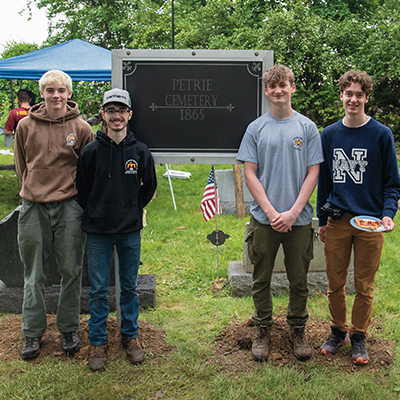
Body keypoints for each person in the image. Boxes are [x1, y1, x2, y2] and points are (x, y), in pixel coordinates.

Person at [236, 64, 323, 362]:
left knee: (299, 279)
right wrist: (273, 212)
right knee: (261, 278)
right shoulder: (256, 128)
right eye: (272, 86)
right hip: (264, 219)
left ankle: (297, 328)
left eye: (283, 85)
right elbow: (250, 173)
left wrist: (293, 211)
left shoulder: (307, 128)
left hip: (298, 220)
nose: (278, 90)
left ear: (292, 88)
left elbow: (313, 173)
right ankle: (262, 328)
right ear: (266, 91)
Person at [317, 70, 400, 365]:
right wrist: (322, 220)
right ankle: (338, 330)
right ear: (341, 96)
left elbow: (392, 183)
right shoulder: (328, 134)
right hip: (338, 220)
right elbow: (323, 182)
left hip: (370, 222)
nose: (353, 99)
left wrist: (388, 215)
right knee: (335, 282)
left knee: (364, 284)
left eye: (359, 94)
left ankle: (359, 336)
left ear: (367, 97)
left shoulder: (381, 134)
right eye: (348, 93)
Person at [14, 70, 94, 360]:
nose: (56, 95)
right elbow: (21, 165)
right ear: (42, 94)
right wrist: (32, 190)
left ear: (69, 93)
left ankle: (68, 328)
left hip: (69, 207)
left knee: (71, 270)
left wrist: (75, 200)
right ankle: (33, 332)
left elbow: (87, 169)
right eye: (49, 90)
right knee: (33, 273)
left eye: (61, 90)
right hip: (33, 206)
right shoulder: (25, 126)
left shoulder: (82, 128)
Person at [76, 88, 157, 372]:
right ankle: (98, 341)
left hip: (129, 230)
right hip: (97, 230)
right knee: (98, 290)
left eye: (121, 111)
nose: (116, 116)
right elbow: (82, 191)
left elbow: (149, 189)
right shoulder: (90, 152)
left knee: (129, 287)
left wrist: (131, 211)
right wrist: (98, 211)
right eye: (111, 111)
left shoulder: (141, 152)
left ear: (130, 114)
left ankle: (130, 336)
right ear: (103, 115)